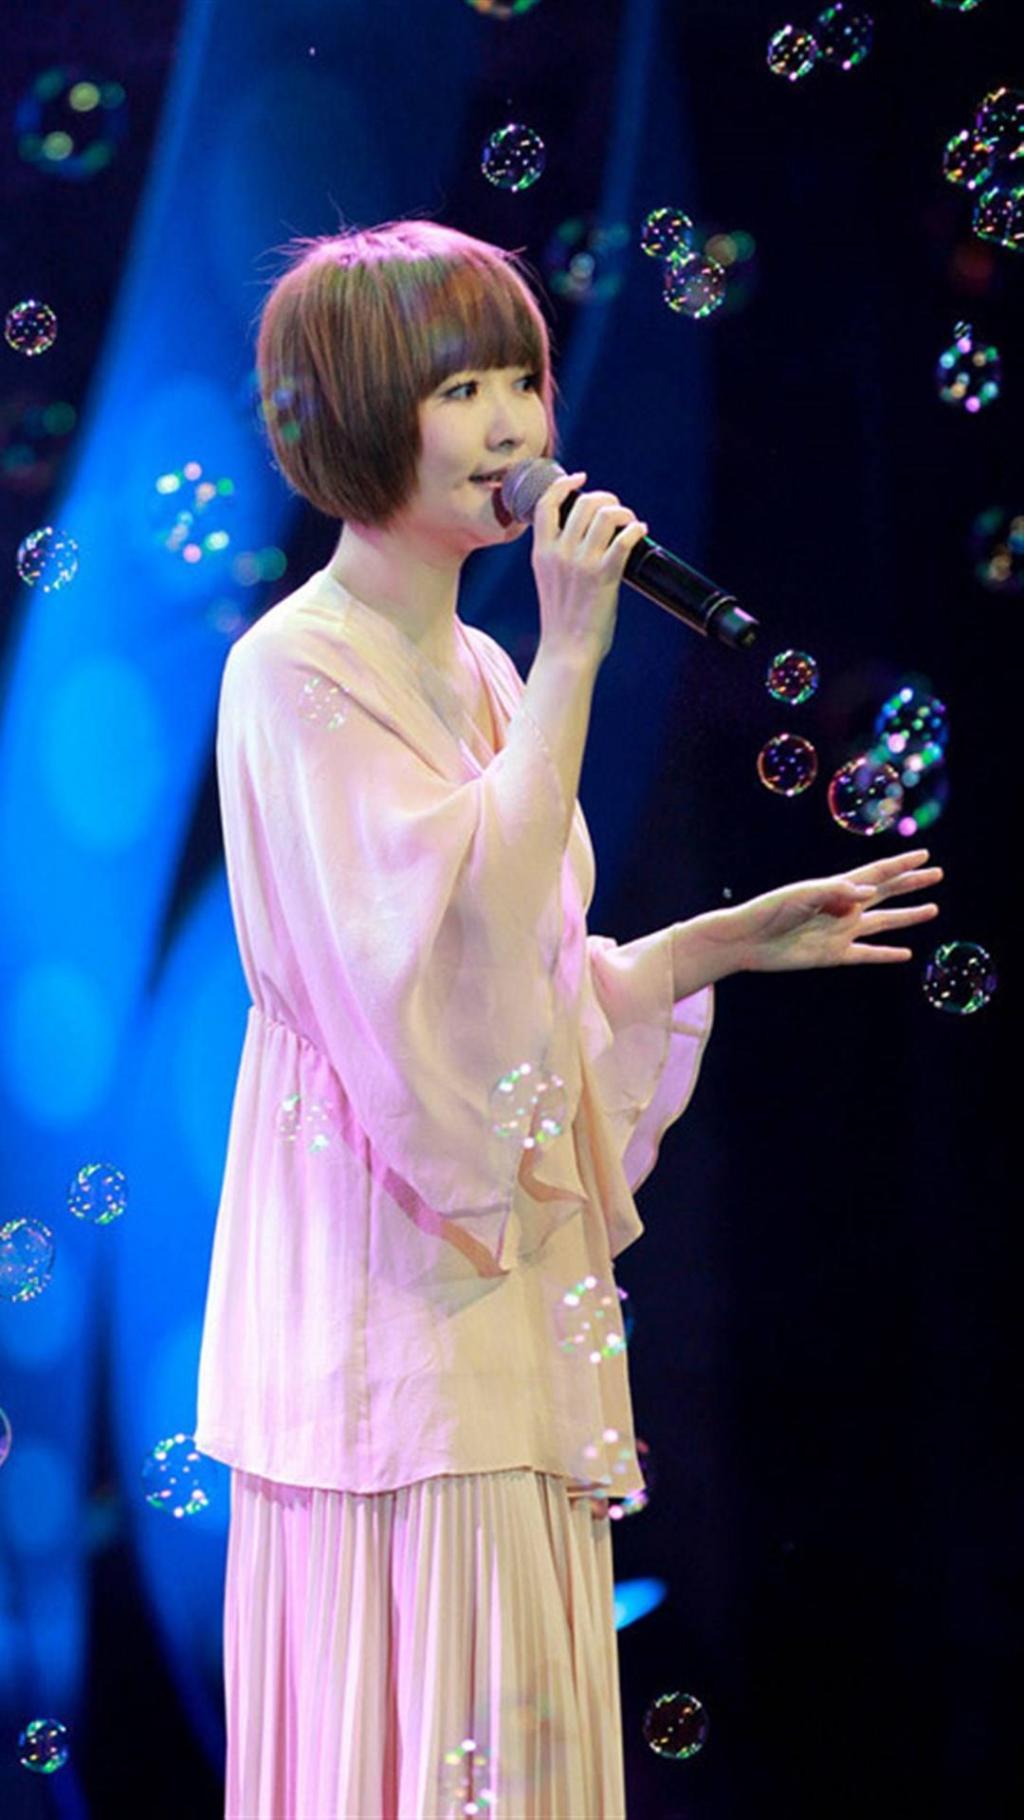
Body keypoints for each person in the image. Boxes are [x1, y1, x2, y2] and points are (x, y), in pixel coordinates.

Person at [193, 218, 942, 1820]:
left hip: (503, 1294)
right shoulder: (294, 670)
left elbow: (516, 997)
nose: (510, 424)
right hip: (388, 1310)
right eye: (456, 388)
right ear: (355, 414)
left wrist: (705, 950)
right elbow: (428, 994)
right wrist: (580, 648)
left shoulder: (483, 667)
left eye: (520, 379)